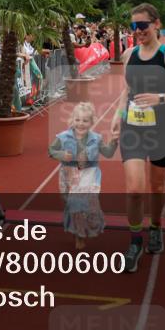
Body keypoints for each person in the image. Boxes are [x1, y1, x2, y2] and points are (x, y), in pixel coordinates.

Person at [110, 3, 165, 273]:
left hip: (163, 131)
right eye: (133, 27)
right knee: (134, 189)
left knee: (156, 187)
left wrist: (160, 98)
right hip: (133, 129)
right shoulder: (128, 55)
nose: (137, 31)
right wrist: (117, 115)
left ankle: (155, 226)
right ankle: (135, 241)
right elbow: (127, 90)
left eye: (142, 26)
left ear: (156, 24)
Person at [50, 102, 118, 249]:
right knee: (71, 205)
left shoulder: (97, 139)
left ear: (92, 122)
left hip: (89, 174)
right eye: (78, 120)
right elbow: (51, 150)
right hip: (68, 175)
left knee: (81, 205)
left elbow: (108, 153)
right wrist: (61, 154)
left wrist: (114, 141)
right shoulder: (63, 137)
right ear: (72, 120)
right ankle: (76, 231)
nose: (81, 124)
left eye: (85, 121)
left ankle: (79, 236)